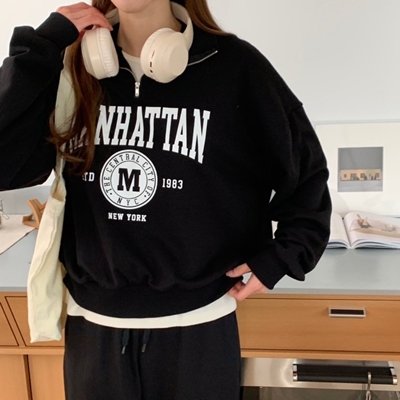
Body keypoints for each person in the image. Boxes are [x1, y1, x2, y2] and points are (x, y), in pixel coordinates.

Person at [0, 1, 332, 399]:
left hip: (199, 328)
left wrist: (285, 255)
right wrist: (39, 51)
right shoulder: (71, 68)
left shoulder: (234, 67)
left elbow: (306, 171)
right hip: (93, 329)